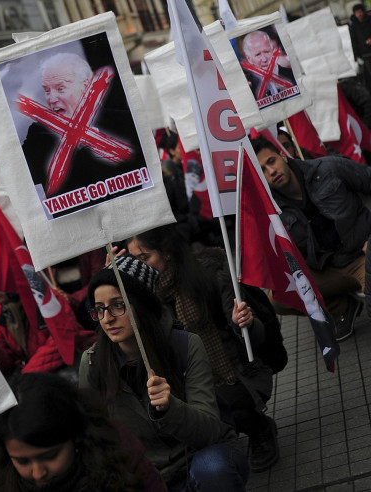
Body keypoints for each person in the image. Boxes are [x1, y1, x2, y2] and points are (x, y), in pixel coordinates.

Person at [80, 255, 249, 490]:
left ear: (142, 306)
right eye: (99, 309)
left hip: (198, 457)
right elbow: (94, 440)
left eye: (119, 305)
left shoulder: (186, 345)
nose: (107, 319)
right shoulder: (91, 363)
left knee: (213, 467)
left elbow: (210, 430)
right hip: (146, 476)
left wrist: (171, 408)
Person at [124, 226, 279, 473]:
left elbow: (252, 338)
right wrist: (114, 273)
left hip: (236, 372)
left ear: (165, 253)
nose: (140, 265)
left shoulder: (208, 274)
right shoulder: (145, 294)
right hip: (187, 378)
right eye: (134, 260)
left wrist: (245, 323)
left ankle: (260, 428)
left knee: (219, 410)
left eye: (144, 258)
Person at [251, 135, 370, 340]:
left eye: (271, 162)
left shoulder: (328, 168)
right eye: (262, 170)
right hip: (328, 269)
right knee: (280, 298)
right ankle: (342, 308)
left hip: (362, 257)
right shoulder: (272, 212)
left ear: (283, 156)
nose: (271, 172)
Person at [0, 371, 166, 491]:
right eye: (23, 462)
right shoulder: (8, 482)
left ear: (75, 437)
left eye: (50, 456)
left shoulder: (126, 464)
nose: (38, 473)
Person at [20, 52, 147, 208]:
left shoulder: (124, 121)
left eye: (60, 89)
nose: (52, 99)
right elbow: (26, 183)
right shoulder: (38, 134)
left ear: (86, 86)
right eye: (47, 90)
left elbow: (145, 175)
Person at [241, 30, 296, 100]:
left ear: (273, 50)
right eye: (258, 54)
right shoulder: (248, 87)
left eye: (267, 52)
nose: (264, 59)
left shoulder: (292, 74)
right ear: (249, 58)